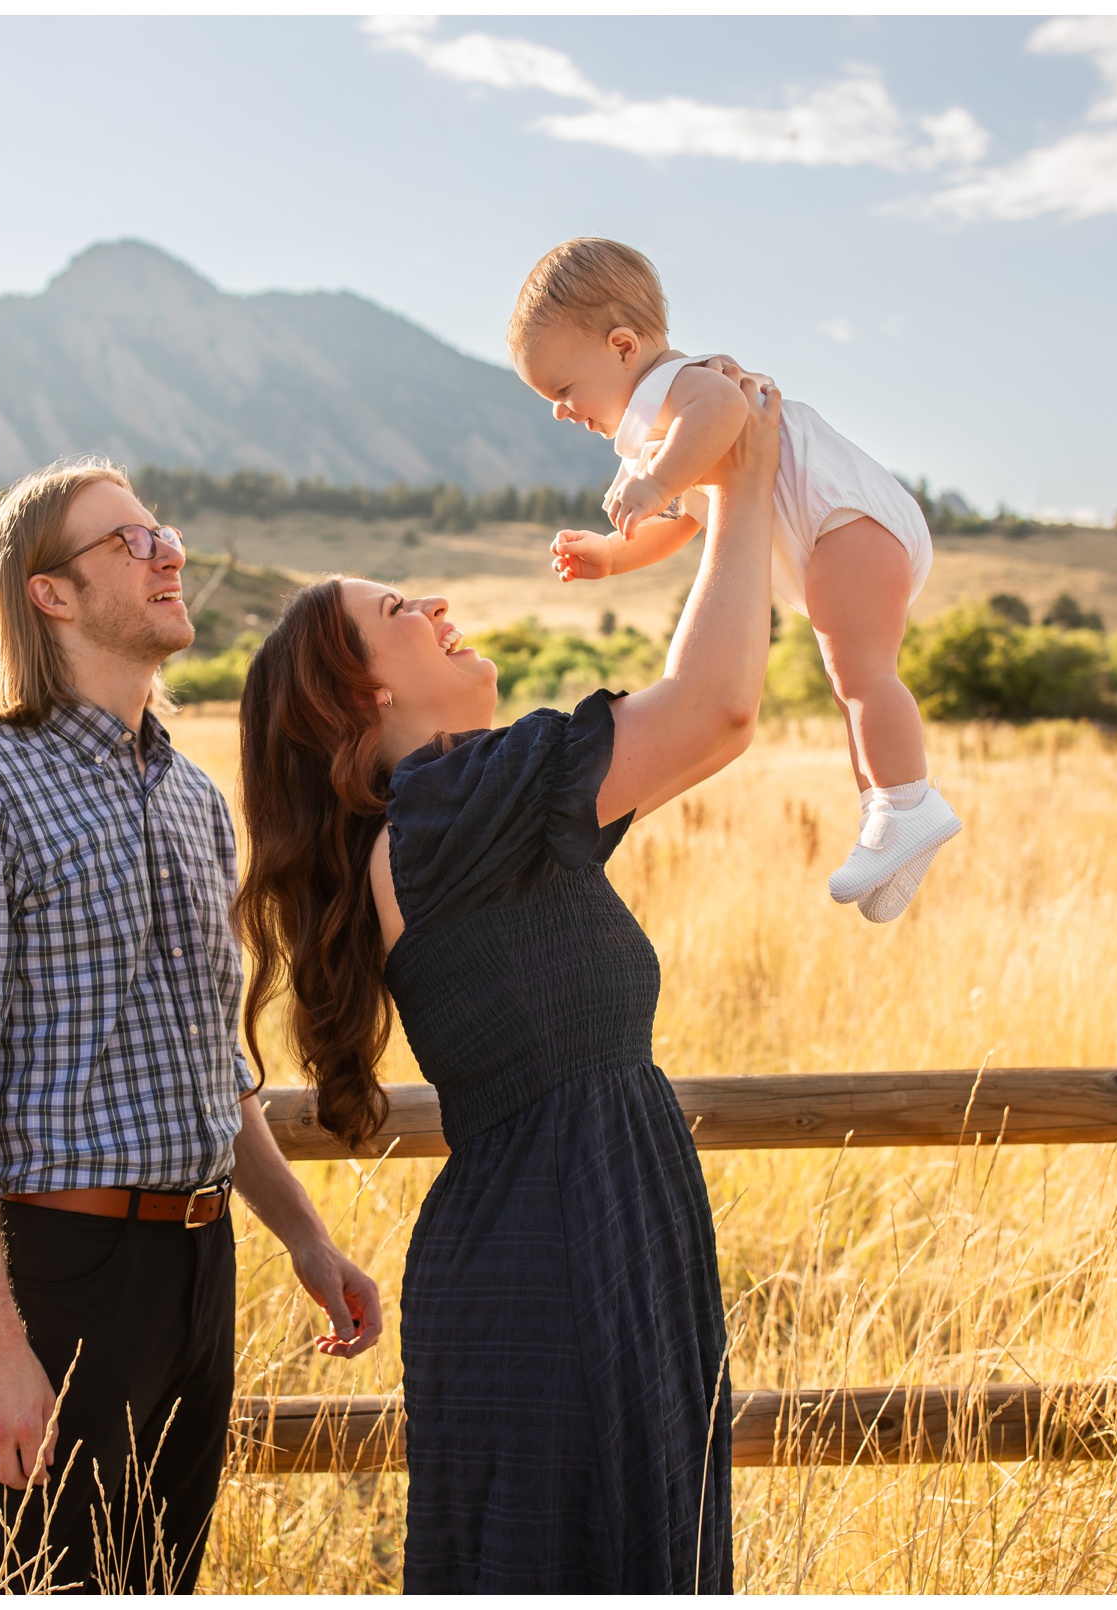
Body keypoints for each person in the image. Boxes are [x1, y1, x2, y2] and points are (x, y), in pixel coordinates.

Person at [231, 366, 784, 1592]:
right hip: (562, 1260)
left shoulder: (458, 818)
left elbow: (705, 710)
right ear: (365, 690)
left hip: (590, 1241)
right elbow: (718, 708)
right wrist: (743, 479)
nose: (433, 601)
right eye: (395, 607)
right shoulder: (447, 814)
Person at [0, 457, 384, 1593]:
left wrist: (303, 1237)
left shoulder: (192, 796)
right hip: (57, 1270)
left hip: (201, 1266)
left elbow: (211, 1065)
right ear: (50, 593)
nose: (169, 552)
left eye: (162, 530)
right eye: (129, 540)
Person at [508, 237, 961, 922]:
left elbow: (721, 411)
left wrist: (657, 478)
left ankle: (909, 804)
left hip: (848, 522)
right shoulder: (663, 433)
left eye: (563, 389)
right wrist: (613, 554)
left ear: (624, 348)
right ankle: (886, 816)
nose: (559, 410)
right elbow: (691, 520)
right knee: (851, 687)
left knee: (863, 677)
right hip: (839, 537)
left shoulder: (679, 387)